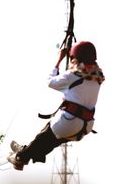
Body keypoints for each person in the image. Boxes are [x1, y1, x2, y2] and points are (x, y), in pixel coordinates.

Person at [7, 41, 105, 170]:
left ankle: (21, 157)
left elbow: (50, 82)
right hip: (86, 126)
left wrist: (59, 59)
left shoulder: (72, 75)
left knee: (45, 134)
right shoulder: (97, 79)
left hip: (70, 122)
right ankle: (29, 152)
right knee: (50, 141)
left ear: (76, 58)